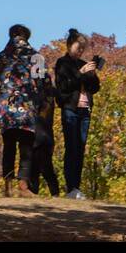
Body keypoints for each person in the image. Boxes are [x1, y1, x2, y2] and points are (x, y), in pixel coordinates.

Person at [0, 24, 40, 196]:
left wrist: (1, 98)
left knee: (9, 145)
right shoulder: (35, 55)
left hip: (6, 107)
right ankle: (23, 185)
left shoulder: (2, 56)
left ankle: (7, 186)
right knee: (26, 145)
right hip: (26, 105)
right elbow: (43, 82)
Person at [54, 28, 100, 199]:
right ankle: (70, 187)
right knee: (71, 147)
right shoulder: (62, 63)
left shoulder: (83, 63)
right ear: (69, 45)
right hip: (70, 110)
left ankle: (76, 187)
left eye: (82, 48)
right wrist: (80, 74)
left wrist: (92, 74)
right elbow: (63, 86)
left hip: (85, 110)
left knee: (80, 148)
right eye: (78, 47)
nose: (80, 51)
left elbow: (95, 88)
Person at [27, 66, 61, 197]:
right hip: (46, 137)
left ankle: (54, 194)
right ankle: (51, 193)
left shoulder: (38, 95)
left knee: (42, 169)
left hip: (38, 136)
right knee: (39, 169)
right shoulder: (51, 94)